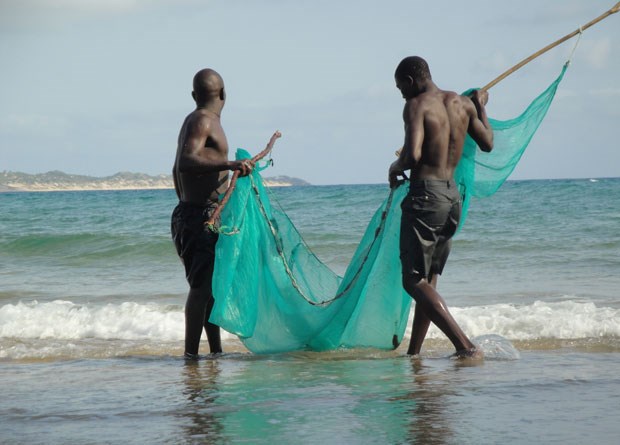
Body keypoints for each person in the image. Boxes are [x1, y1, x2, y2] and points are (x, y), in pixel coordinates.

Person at [389, 56, 493, 358]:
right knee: (429, 280)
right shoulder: (463, 104)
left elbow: (412, 156)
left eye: (400, 87)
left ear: (410, 81)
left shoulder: (416, 105)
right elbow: (487, 143)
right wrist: (481, 106)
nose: (402, 94)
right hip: (452, 199)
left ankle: (465, 347)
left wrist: (394, 167)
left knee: (413, 280)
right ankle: (414, 354)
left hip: (426, 197)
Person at [171, 68, 254, 359]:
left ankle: (216, 353)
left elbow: (175, 168)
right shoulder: (203, 120)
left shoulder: (194, 120)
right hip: (199, 216)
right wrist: (230, 165)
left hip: (194, 213)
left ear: (194, 95)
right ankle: (191, 358)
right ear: (223, 94)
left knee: (210, 290)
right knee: (201, 289)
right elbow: (185, 162)